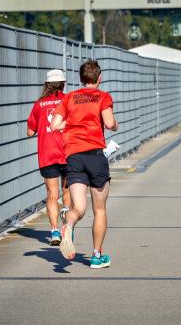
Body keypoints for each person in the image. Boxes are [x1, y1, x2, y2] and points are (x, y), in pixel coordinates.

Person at [51, 60, 118, 269]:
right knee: (100, 209)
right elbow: (109, 123)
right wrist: (115, 125)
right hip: (96, 155)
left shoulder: (69, 98)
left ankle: (68, 226)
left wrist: (72, 123)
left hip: (74, 157)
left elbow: (54, 125)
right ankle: (97, 256)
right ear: (99, 78)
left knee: (78, 208)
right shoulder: (103, 96)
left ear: (81, 79)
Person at [27, 69, 71, 246]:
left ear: (46, 84)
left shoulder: (39, 104)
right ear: (63, 84)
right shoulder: (68, 100)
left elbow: (30, 131)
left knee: (52, 194)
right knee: (67, 192)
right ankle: (67, 228)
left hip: (47, 154)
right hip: (68, 152)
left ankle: (54, 231)